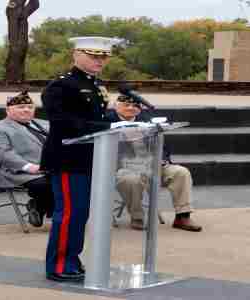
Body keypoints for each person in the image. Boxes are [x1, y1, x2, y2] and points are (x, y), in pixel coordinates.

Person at [41, 36, 123, 282]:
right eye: (94, 56)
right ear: (76, 55)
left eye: (104, 57)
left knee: (81, 213)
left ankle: (71, 259)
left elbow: (94, 115)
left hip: (91, 157)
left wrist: (117, 120)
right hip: (68, 158)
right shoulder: (61, 86)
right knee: (69, 213)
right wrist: (105, 124)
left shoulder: (96, 85)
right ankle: (58, 264)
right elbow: (64, 122)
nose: (100, 61)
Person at [106, 94, 202, 232]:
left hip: (152, 164)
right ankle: (137, 217)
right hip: (124, 168)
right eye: (126, 105)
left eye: (135, 105)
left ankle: (182, 216)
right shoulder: (107, 121)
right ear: (116, 106)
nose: (131, 108)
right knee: (130, 179)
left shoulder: (148, 121)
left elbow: (163, 146)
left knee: (181, 172)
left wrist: (162, 160)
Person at [0, 90, 53, 227]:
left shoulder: (46, 124)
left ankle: (39, 206)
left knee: (75, 178)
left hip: (52, 168)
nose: (26, 110)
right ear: (8, 110)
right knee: (46, 184)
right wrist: (29, 167)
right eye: (20, 107)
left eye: (30, 107)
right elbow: (3, 154)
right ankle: (48, 210)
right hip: (19, 172)